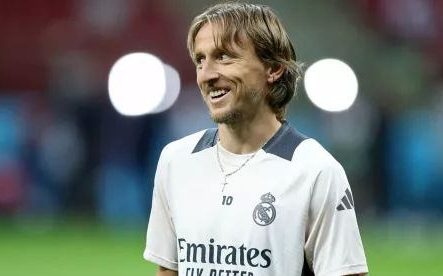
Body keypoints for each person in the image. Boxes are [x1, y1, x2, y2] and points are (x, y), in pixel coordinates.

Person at [144, 2, 368, 276]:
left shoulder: (317, 171)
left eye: (224, 56)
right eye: (200, 60)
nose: (207, 75)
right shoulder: (175, 161)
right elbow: (168, 271)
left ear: (273, 68)